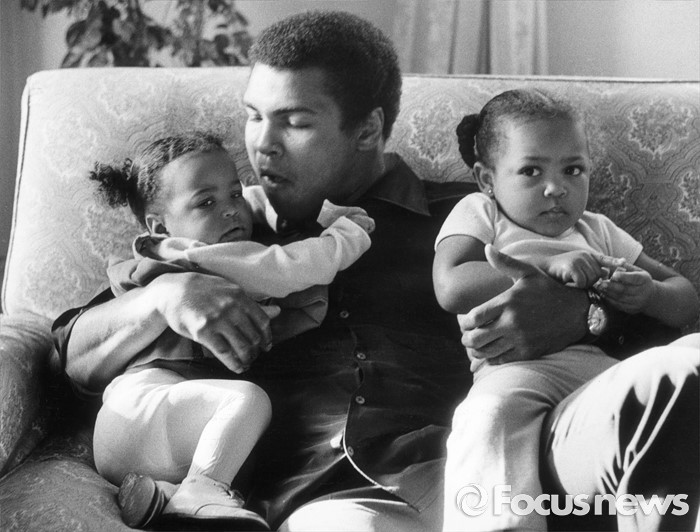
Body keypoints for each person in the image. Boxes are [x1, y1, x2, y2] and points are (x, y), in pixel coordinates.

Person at [52, 11, 699, 532]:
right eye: (254, 115)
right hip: (334, 497)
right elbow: (71, 355)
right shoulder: (227, 235)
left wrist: (586, 311)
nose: (261, 144)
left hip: (507, 456)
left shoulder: (475, 213)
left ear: (368, 131)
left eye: (293, 121)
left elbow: (656, 318)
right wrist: (167, 296)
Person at [432, 89, 700, 531]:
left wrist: (647, 293)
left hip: (602, 372)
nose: (556, 188)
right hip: (517, 371)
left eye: (573, 170)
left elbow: (684, 297)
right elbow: (451, 284)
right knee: (488, 416)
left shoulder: (597, 229)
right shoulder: (482, 213)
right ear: (486, 179)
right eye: (531, 171)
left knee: (689, 356)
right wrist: (548, 266)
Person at [86, 132, 373, 530]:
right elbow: (288, 267)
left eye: (235, 194)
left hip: (149, 438)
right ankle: (201, 487)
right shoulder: (201, 256)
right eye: (206, 202)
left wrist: (246, 200)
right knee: (248, 402)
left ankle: (162, 495)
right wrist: (347, 232)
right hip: (143, 407)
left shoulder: (168, 254)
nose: (231, 210)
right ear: (160, 226)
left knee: (240, 446)